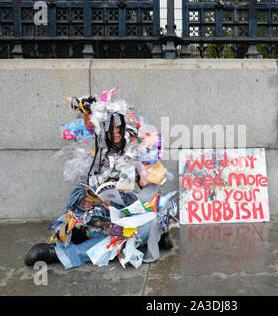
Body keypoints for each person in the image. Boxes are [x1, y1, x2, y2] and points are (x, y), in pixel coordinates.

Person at [25, 112, 173, 269]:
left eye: (119, 128)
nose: (115, 132)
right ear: (104, 131)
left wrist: (120, 203)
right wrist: (84, 201)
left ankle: (63, 254)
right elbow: (82, 186)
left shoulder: (141, 154)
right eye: (111, 128)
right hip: (101, 215)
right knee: (70, 222)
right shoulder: (96, 157)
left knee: (142, 227)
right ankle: (156, 236)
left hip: (132, 218)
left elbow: (150, 194)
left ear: (126, 129)